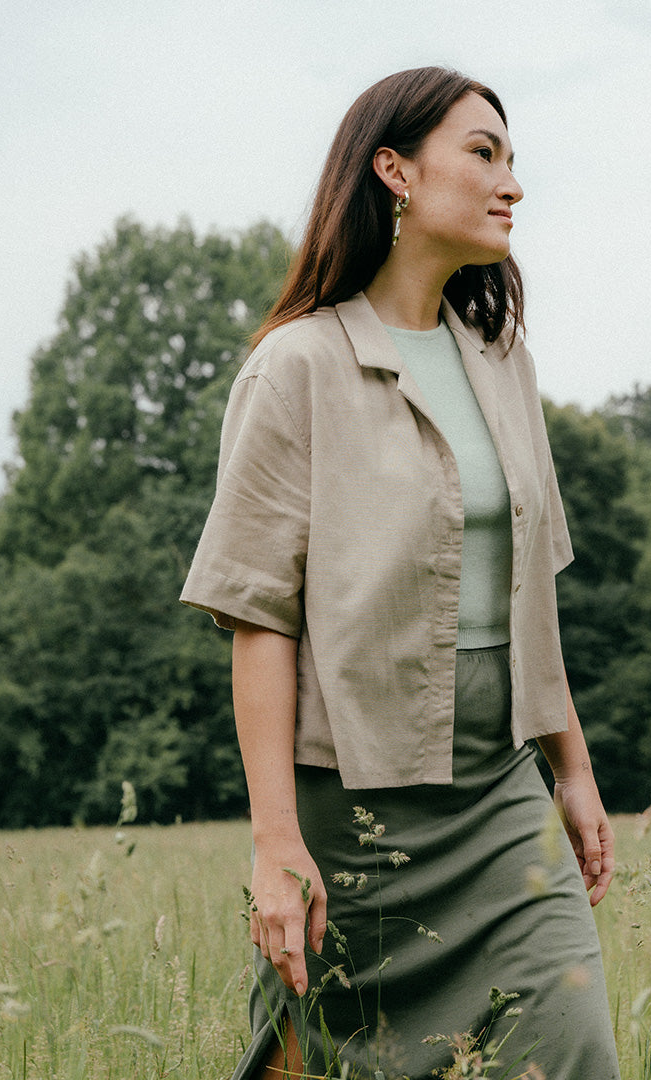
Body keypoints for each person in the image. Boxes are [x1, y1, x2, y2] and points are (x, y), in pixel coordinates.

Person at [182, 66, 621, 1080]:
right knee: (333, 1060)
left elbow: (529, 595)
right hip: (355, 804)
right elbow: (258, 619)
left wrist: (578, 771)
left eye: (513, 161)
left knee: (572, 1048)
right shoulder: (294, 367)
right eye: (483, 154)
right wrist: (275, 842)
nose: (511, 183)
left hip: (501, 786)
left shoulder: (501, 357)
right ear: (395, 170)